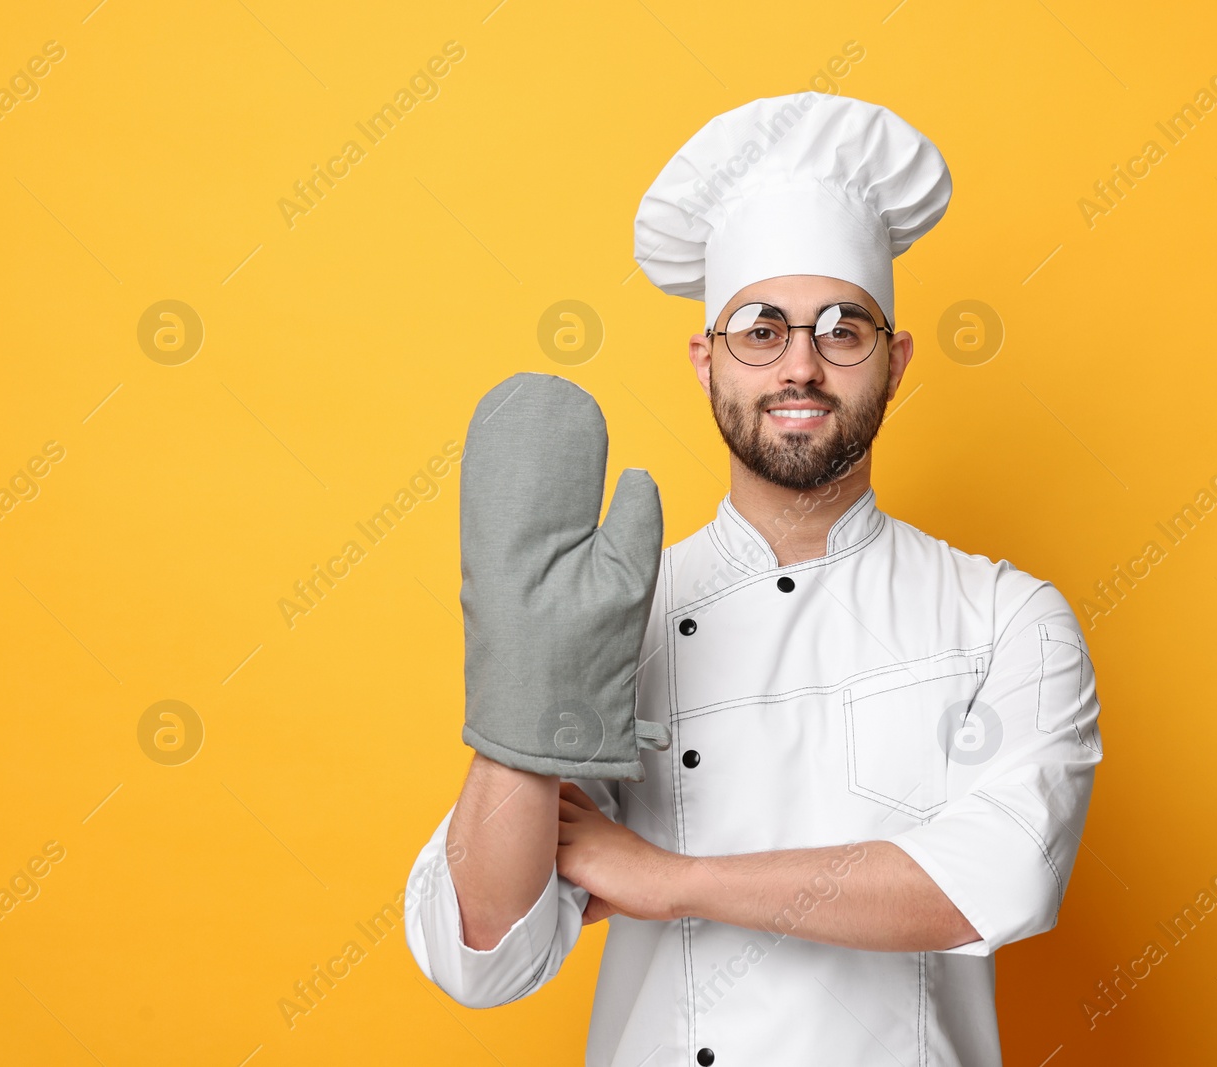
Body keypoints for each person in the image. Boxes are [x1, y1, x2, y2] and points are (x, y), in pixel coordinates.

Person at [405, 90, 1103, 1066]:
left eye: (842, 330)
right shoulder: (620, 613)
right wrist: (525, 684)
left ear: (894, 361)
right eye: (760, 329)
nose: (801, 367)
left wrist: (670, 877)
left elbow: (1000, 877)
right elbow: (476, 952)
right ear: (706, 361)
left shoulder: (1003, 616)